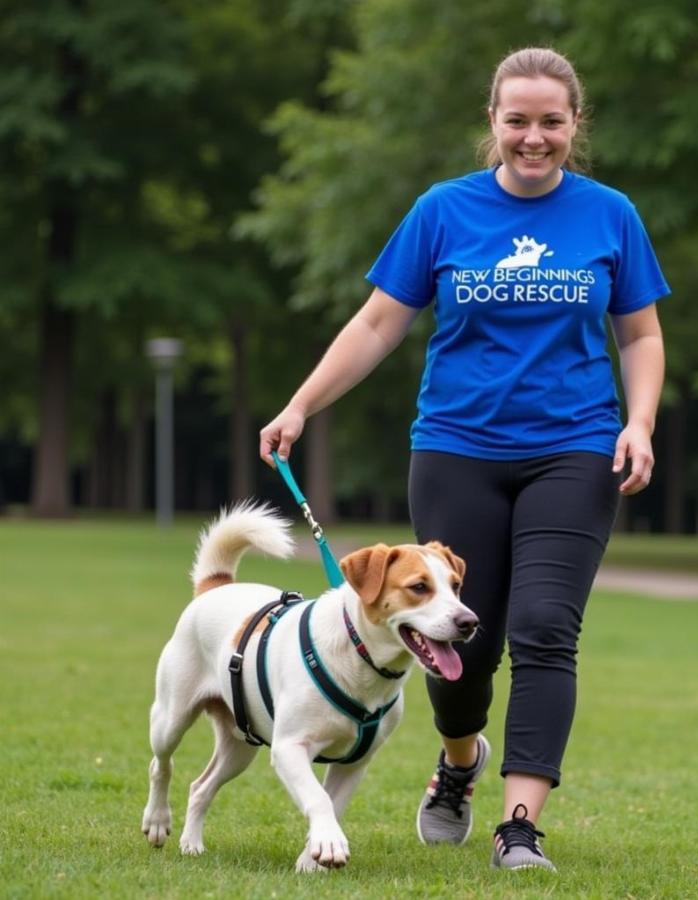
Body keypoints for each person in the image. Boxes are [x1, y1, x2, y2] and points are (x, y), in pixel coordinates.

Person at [259, 46, 669, 872]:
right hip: (455, 448)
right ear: (494, 121)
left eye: (551, 121)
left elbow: (641, 333)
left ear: (574, 124)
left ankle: (520, 830)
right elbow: (378, 323)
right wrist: (301, 403)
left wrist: (641, 420)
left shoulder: (610, 214)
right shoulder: (443, 211)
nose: (534, 136)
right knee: (460, 647)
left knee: (545, 628)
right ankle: (457, 767)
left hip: (575, 447)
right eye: (517, 120)